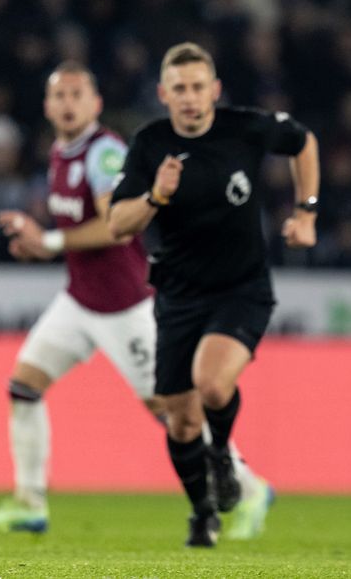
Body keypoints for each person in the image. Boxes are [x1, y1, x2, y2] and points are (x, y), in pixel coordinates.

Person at [0, 62, 272, 541]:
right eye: (59, 96)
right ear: (47, 107)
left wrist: (46, 242)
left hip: (127, 308)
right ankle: (29, 503)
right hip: (79, 302)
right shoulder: (59, 152)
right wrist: (39, 242)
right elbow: (74, 230)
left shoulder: (104, 153)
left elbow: (112, 225)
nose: (68, 104)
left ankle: (250, 486)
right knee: (23, 387)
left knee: (175, 414)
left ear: (95, 103)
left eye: (77, 95)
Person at [109, 43, 320, 547]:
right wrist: (156, 195)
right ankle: (202, 511)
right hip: (179, 294)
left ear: (214, 90)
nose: (188, 98)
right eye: (178, 89)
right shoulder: (148, 144)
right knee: (180, 420)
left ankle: (222, 454)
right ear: (163, 94)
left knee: (212, 385)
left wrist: (307, 210)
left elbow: (303, 141)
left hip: (242, 288)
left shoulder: (243, 126)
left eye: (197, 87)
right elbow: (118, 224)